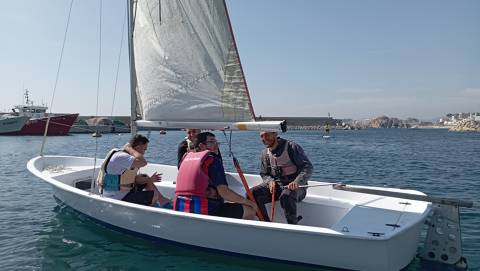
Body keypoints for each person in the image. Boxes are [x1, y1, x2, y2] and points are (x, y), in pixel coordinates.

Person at [174, 132, 257, 219]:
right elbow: (224, 192)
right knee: (249, 210)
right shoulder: (212, 160)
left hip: (182, 209)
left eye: (217, 142)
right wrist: (248, 202)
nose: (216, 145)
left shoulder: (185, 159)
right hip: (206, 211)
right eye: (212, 142)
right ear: (202, 146)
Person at [251, 130, 313, 224]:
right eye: (261, 136)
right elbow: (264, 174)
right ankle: (264, 223)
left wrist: (296, 182)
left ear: (275, 134)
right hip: (277, 187)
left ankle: (292, 225)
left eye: (267, 135)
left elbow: (307, 167)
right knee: (252, 193)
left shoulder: (292, 147)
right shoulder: (265, 153)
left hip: (297, 189)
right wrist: (270, 181)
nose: (264, 138)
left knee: (286, 196)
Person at [97, 134, 171, 207]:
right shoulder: (121, 156)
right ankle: (149, 211)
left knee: (145, 177)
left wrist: (149, 179)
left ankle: (162, 200)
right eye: (144, 149)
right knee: (154, 195)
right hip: (116, 197)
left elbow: (135, 179)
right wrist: (130, 149)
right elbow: (143, 162)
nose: (144, 152)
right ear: (137, 148)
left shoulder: (126, 157)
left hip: (124, 191)